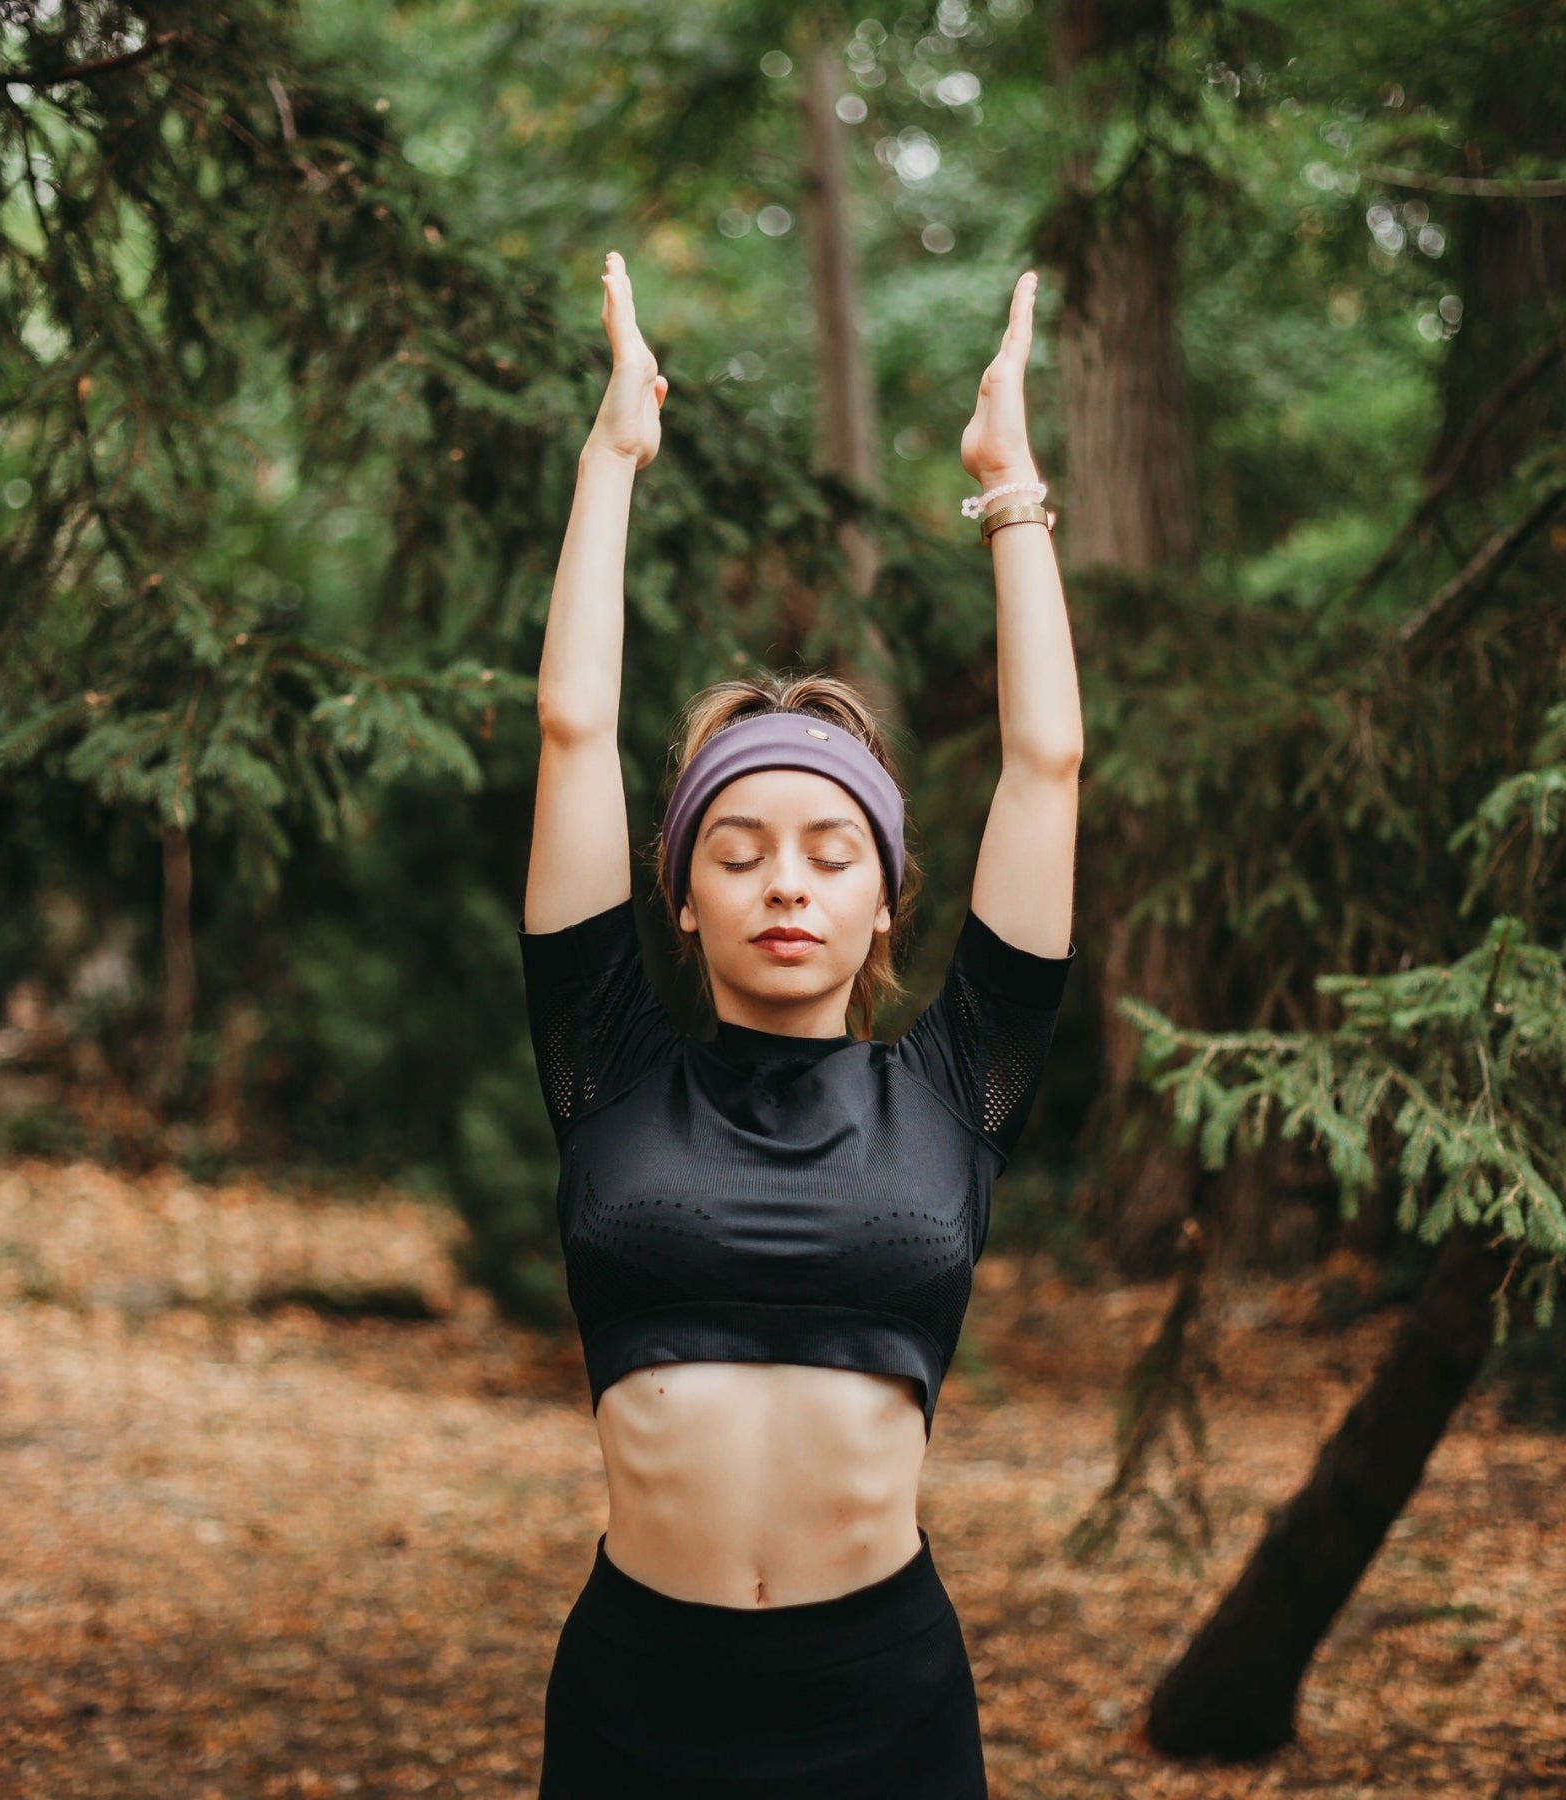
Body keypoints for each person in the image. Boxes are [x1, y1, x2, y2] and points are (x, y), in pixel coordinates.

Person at [518, 248, 1082, 1799]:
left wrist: (1010, 493)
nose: (788, 884)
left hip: (880, 1706)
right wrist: (612, 458)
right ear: (679, 895)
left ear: (888, 900)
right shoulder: (608, 1064)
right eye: (738, 849)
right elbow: (574, 730)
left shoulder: (960, 1084)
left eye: (834, 856)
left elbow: (1047, 767)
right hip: (639, 1698)